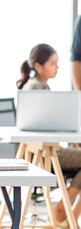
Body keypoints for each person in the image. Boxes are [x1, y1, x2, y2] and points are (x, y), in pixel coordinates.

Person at [17, 43, 81, 228]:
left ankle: (68, 216)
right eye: (53, 63)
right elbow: (37, 126)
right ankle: (63, 212)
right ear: (38, 66)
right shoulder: (34, 89)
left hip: (50, 150)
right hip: (41, 153)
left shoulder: (43, 88)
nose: (58, 67)